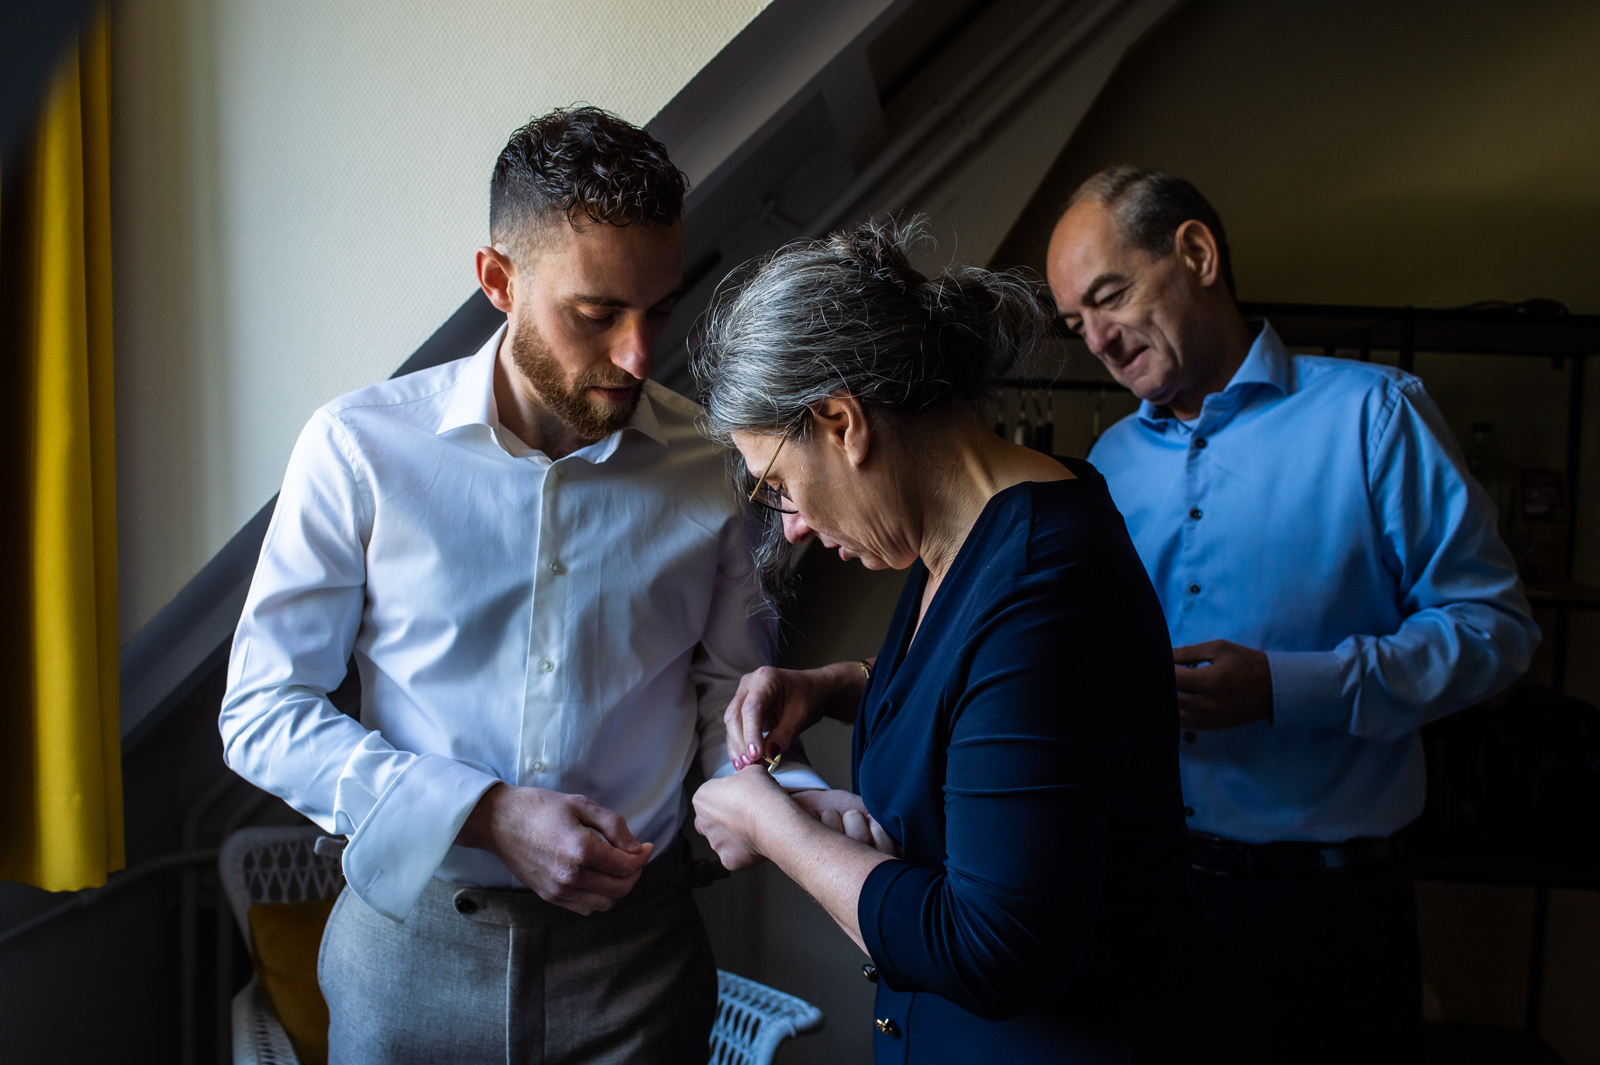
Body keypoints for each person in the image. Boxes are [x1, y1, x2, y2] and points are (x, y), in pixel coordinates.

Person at [219, 106, 824, 1065]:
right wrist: (483, 812)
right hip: (407, 956)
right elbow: (261, 710)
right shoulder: (357, 450)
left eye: (658, 310)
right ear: (499, 280)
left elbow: (728, 698)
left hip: (639, 967)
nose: (638, 354)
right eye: (597, 314)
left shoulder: (712, 462)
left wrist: (790, 790)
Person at [689, 219, 1257, 1064]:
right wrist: (839, 684)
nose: (794, 524)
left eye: (780, 483)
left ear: (842, 421)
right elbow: (991, 693)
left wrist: (776, 829)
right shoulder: (963, 539)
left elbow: (994, 948)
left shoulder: (1042, 582)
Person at [1046, 165, 1541, 1063]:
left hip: (1329, 922)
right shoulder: (1106, 461)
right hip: (1146, 900)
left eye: (1109, 297)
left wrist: (1286, 687)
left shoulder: (1375, 417)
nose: (1099, 342)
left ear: (1197, 253)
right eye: (1077, 322)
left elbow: (1495, 631)